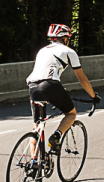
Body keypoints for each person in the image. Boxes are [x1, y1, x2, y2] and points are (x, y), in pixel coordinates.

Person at [26, 23, 100, 152]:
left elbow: (43, 73)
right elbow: (82, 78)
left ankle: (33, 165)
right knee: (71, 113)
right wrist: (93, 96)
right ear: (65, 38)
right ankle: (56, 136)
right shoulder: (69, 51)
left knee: (37, 127)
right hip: (50, 85)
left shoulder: (42, 50)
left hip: (33, 86)